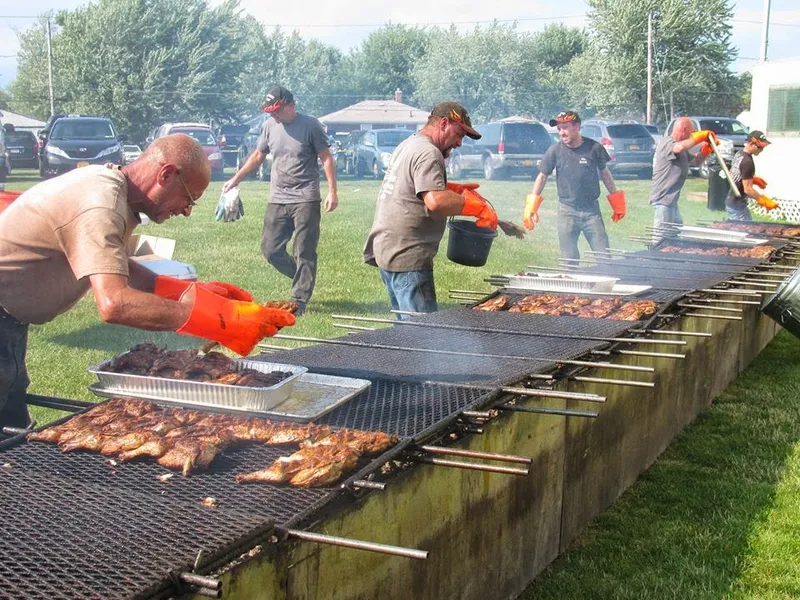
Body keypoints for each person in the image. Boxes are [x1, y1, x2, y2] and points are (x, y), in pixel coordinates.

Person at [0, 134, 295, 428]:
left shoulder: (112, 191)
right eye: (189, 199)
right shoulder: (100, 204)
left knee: (12, 428)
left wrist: (190, 293)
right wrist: (219, 320)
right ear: (166, 175)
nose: (187, 211)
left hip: (10, 324)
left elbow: (115, 264)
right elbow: (114, 304)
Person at [363, 102, 498, 316]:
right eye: (459, 134)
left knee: (405, 333)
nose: (460, 143)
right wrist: (477, 208)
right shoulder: (429, 152)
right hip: (408, 255)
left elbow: (412, 185)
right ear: (444, 123)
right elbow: (435, 201)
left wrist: (451, 189)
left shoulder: (410, 144)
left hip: (388, 248)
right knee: (422, 336)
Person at [222, 85, 338, 315]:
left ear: (291, 106)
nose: (273, 115)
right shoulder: (269, 126)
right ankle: (302, 275)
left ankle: (299, 300)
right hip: (278, 196)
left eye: (277, 110)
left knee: (304, 250)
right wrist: (236, 179)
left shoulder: (311, 125)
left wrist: (332, 191)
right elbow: (258, 156)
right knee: (270, 249)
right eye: (271, 112)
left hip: (305, 197)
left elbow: (325, 157)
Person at [523, 110, 626, 262]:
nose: (561, 133)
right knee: (569, 259)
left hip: (591, 211)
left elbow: (605, 174)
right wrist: (531, 206)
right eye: (559, 129)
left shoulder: (594, 148)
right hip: (567, 211)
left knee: (604, 255)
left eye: (565, 127)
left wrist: (617, 202)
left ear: (577, 126)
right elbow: (542, 176)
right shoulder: (555, 151)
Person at [649, 117, 716, 242]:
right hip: (663, 199)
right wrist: (698, 137)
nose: (691, 136)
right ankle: (655, 257)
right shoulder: (667, 143)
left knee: (676, 232)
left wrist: (707, 150)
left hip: (672, 200)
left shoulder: (682, 149)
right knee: (661, 238)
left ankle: (671, 258)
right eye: (690, 132)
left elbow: (695, 161)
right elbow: (678, 148)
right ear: (683, 130)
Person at [726, 130, 779, 221]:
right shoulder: (747, 162)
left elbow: (732, 174)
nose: (761, 150)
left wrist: (752, 179)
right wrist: (763, 201)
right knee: (744, 232)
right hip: (737, 205)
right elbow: (748, 189)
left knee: (748, 227)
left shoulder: (739, 154)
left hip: (733, 202)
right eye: (759, 147)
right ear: (751, 143)